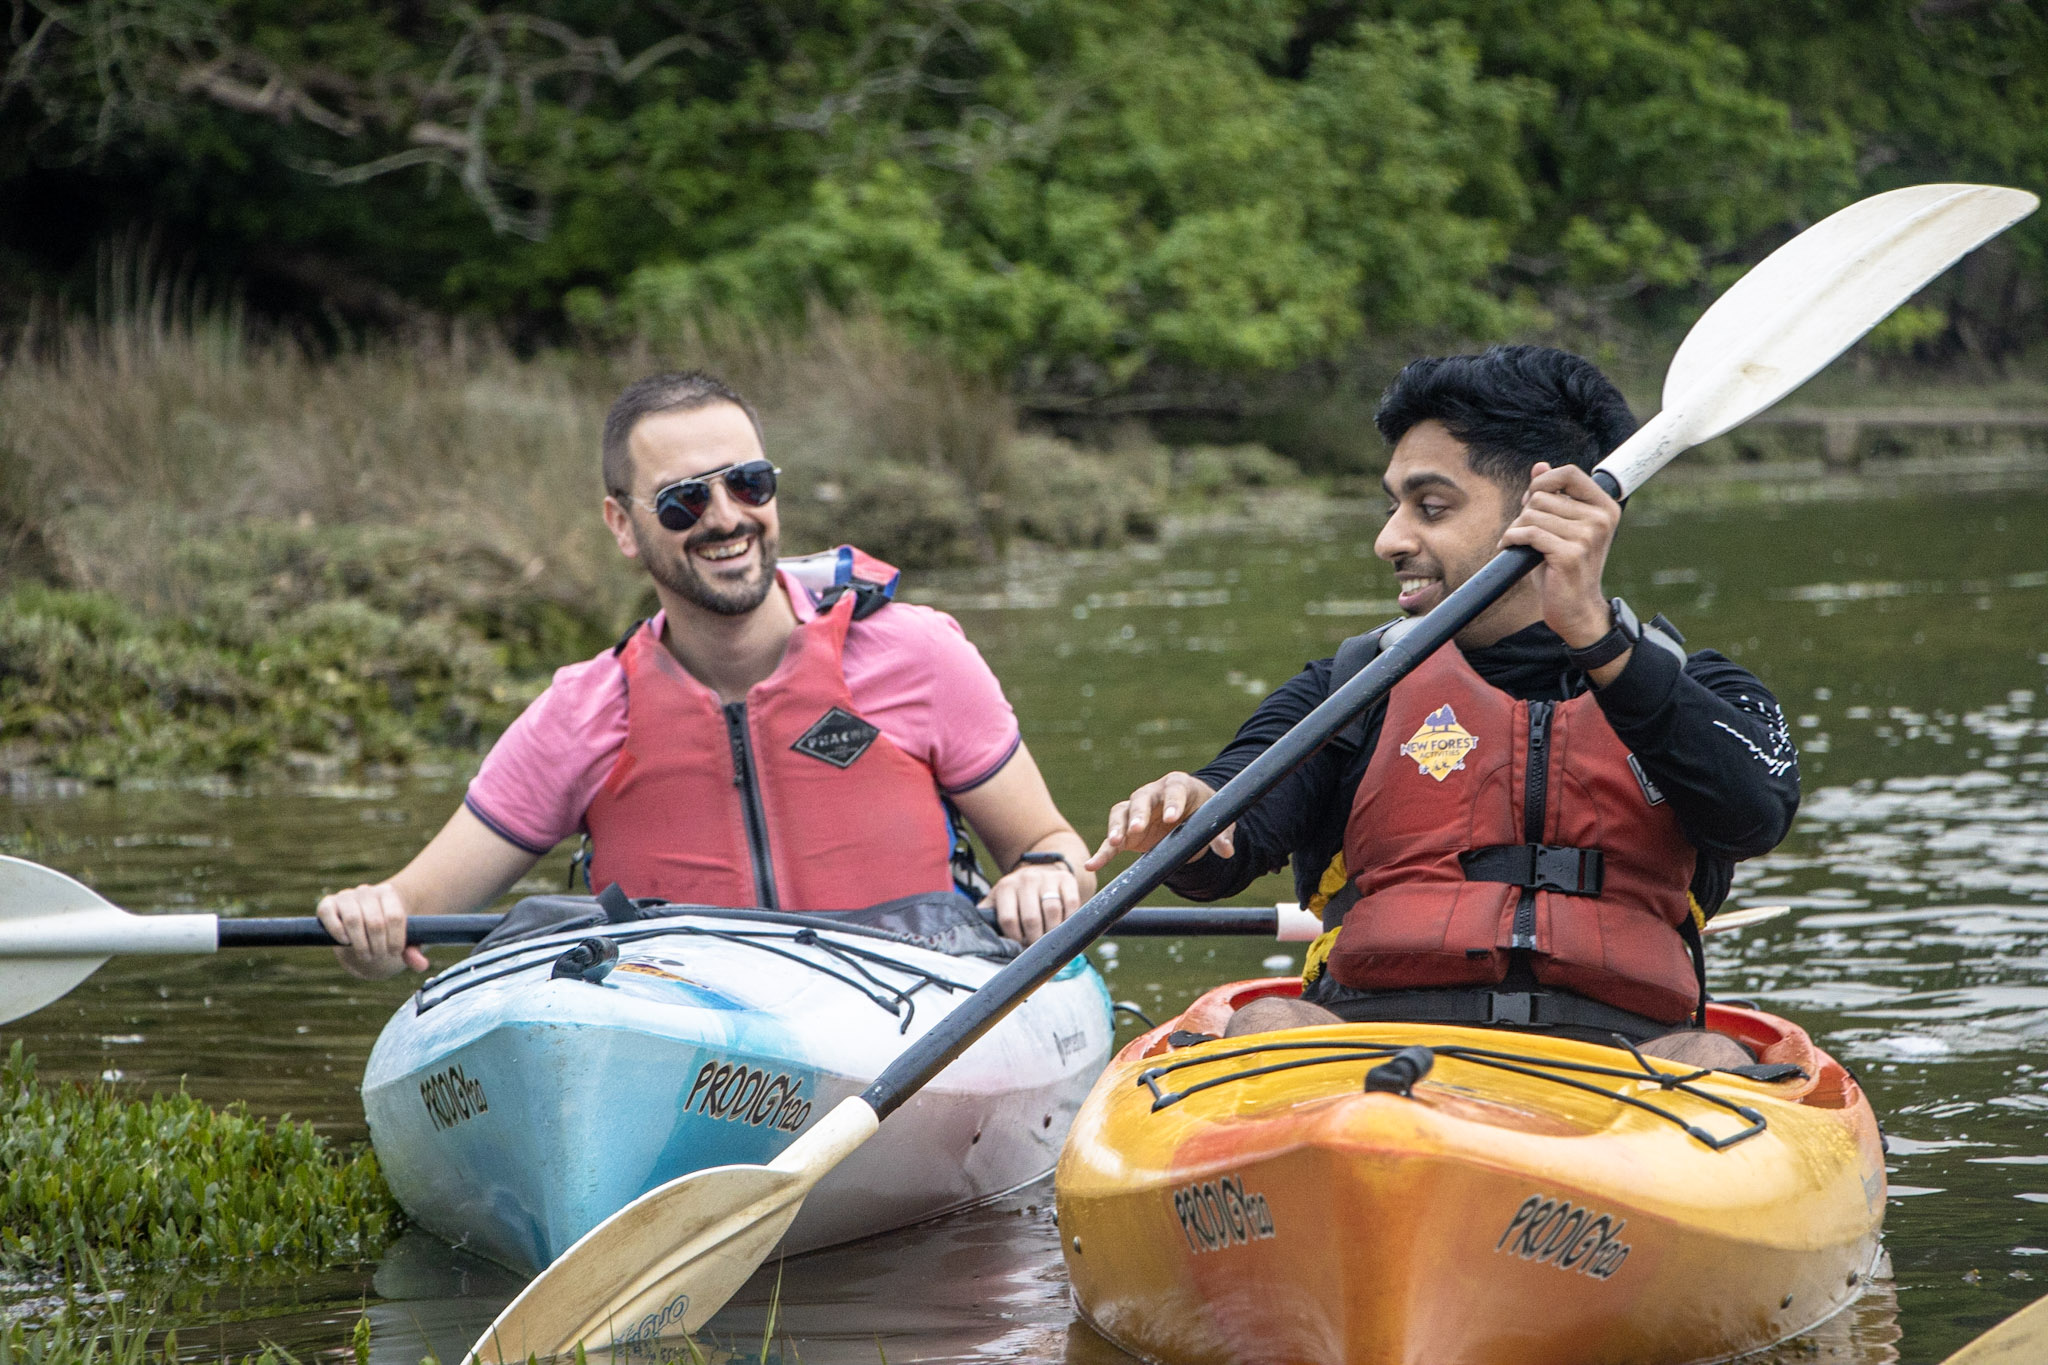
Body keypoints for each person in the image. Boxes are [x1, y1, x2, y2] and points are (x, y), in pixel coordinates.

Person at [1088, 346, 1798, 1068]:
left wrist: (1595, 634)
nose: (1389, 539)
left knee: (1714, 1058)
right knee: (1269, 1019)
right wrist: (1194, 811)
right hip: (1362, 1074)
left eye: (1430, 507)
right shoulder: (1352, 688)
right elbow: (1225, 853)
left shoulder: (1701, 691)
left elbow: (1754, 813)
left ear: (1548, 504)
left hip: (1620, 1080)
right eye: (1393, 505)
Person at [317, 371, 1094, 979]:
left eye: (748, 482)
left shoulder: (918, 654)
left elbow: (1050, 843)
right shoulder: (583, 712)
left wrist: (1044, 876)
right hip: (688, 1048)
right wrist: (370, 923)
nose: (725, 516)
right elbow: (410, 909)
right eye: (684, 500)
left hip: (919, 1014)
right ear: (623, 525)